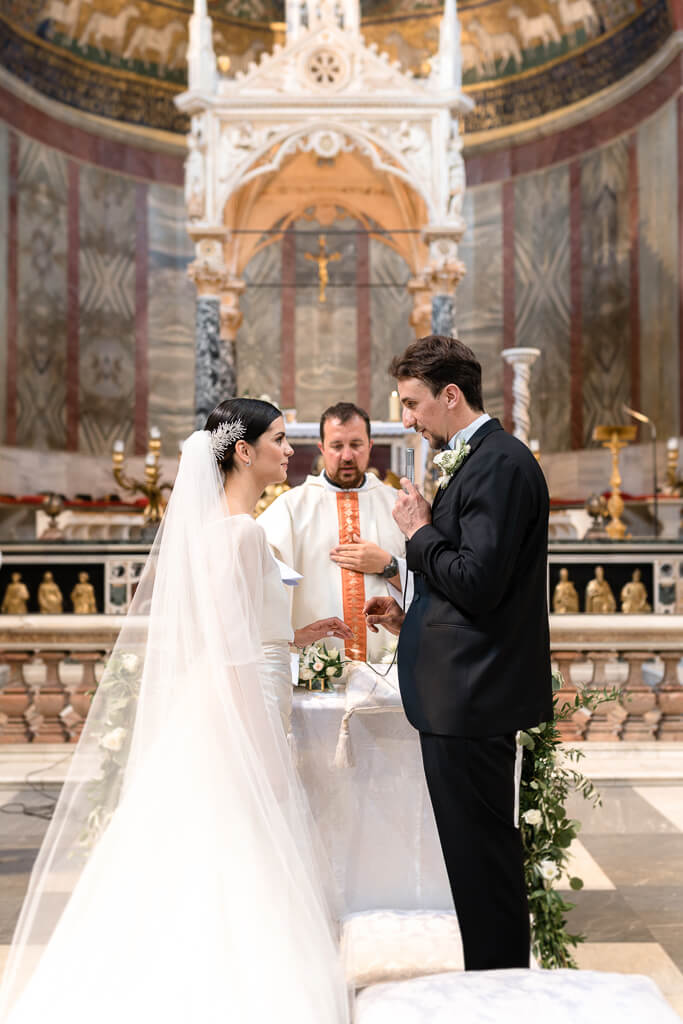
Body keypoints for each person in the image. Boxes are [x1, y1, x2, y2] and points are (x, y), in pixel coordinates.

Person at [0, 399, 350, 1024]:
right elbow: (235, 658)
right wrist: (263, 755)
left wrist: (298, 635)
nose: (288, 450)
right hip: (242, 717)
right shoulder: (243, 532)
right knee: (243, 851)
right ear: (244, 451)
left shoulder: (218, 529)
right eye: (277, 439)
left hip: (217, 710)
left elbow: (233, 633)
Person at [364, 334, 553, 972]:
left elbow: (478, 580)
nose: (407, 418)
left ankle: (500, 991)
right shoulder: (476, 462)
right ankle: (490, 984)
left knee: (485, 866)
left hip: (472, 699)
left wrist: (418, 531)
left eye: (413, 404)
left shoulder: (498, 463)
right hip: (461, 694)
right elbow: (466, 580)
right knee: (473, 867)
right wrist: (411, 612)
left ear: (451, 396)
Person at [259, 402, 406, 664]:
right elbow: (254, 578)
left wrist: (389, 565)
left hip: (389, 669)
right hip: (313, 671)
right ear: (322, 449)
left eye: (357, 445)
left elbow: (432, 577)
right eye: (337, 446)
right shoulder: (290, 508)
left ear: (370, 446)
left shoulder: (399, 506)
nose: (347, 456)